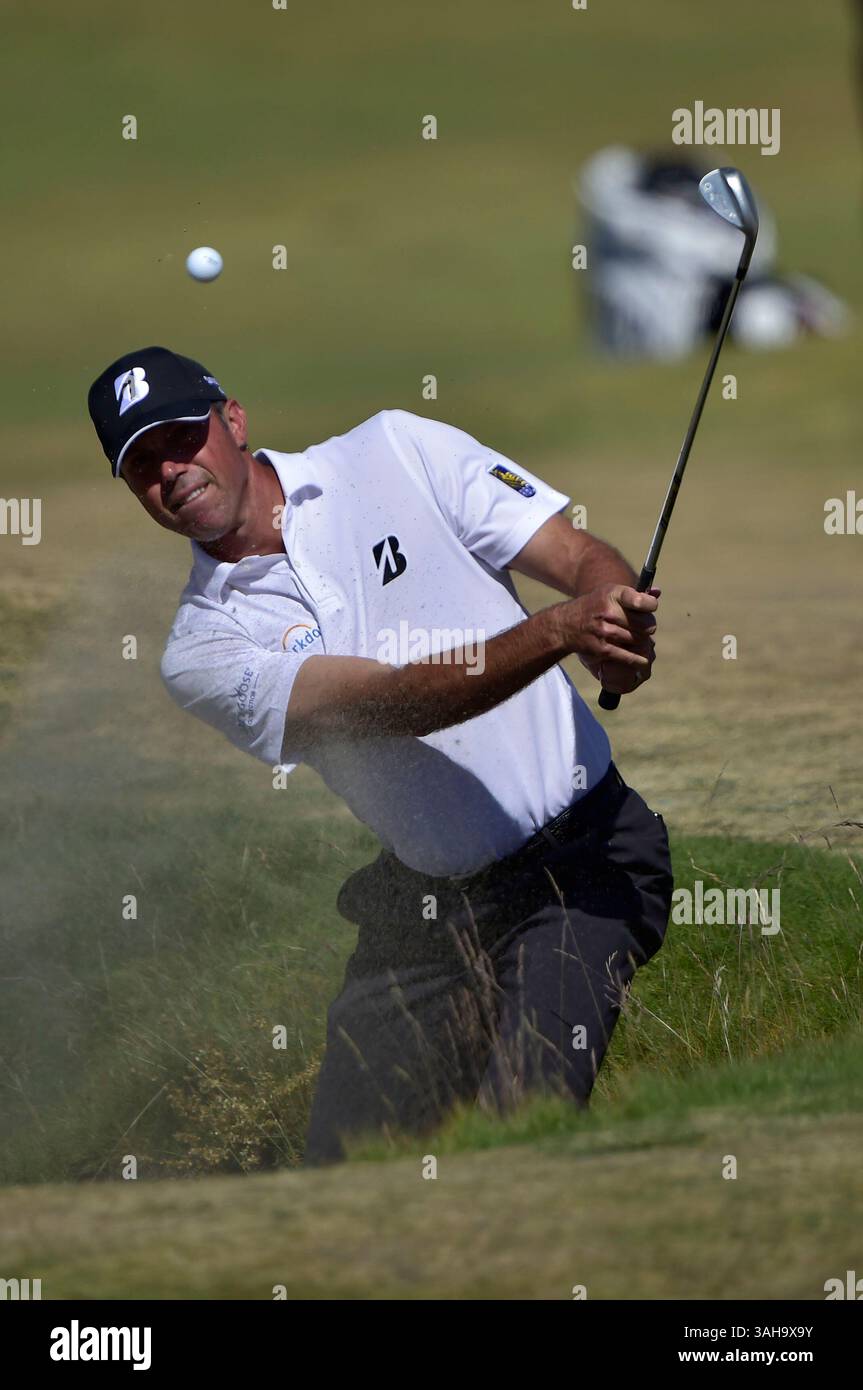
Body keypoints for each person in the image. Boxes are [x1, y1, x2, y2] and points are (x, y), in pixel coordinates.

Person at [88, 345, 673, 1164]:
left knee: (518, 1139)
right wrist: (557, 632)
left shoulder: (395, 449)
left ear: (232, 420)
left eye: (181, 438)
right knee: (346, 1173)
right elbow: (393, 703)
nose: (171, 471)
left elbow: (575, 557)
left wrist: (606, 616)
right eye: (142, 464)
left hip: (582, 863)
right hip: (428, 906)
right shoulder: (202, 649)